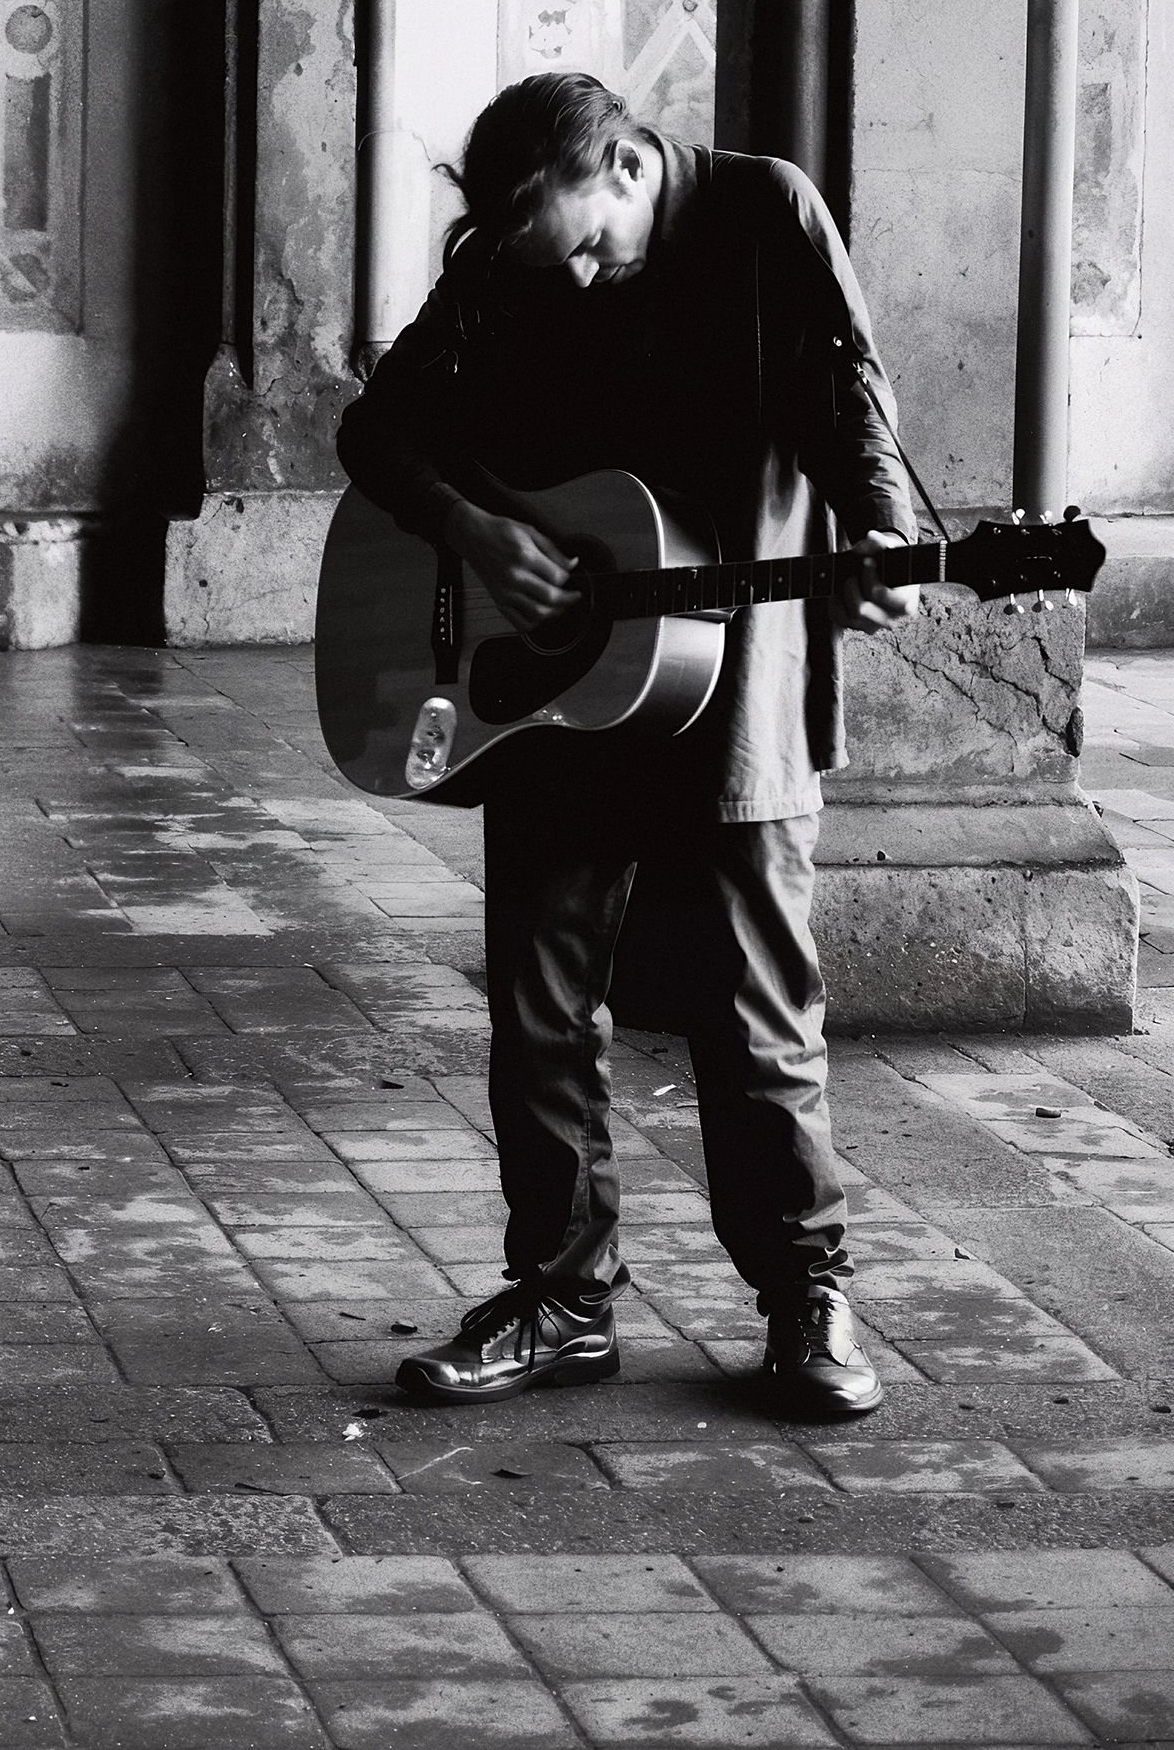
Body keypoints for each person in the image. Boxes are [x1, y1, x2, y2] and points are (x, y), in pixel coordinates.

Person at [339, 71, 922, 1420]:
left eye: (593, 243)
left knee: (757, 1008)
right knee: (540, 1011)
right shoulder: (510, 259)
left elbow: (853, 401)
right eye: (563, 262)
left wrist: (881, 529)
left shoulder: (766, 212)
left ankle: (807, 1297)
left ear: (623, 158)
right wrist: (476, 531)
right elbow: (380, 428)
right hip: (554, 689)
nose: (586, 279)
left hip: (735, 678)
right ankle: (560, 1299)